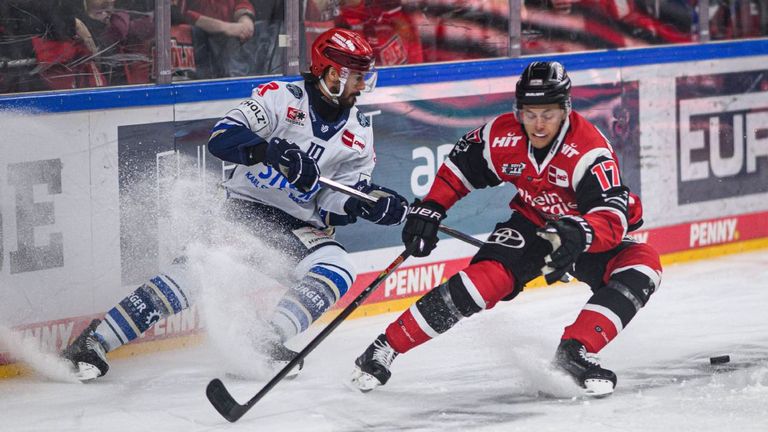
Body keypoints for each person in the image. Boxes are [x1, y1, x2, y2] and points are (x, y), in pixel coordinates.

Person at [61, 27, 409, 381]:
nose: (362, 86)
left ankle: (264, 340)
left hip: (297, 226)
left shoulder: (360, 131)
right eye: (357, 77)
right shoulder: (281, 98)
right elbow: (222, 137)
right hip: (244, 210)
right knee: (192, 275)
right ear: (333, 73)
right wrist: (271, 152)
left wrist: (364, 204)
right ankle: (96, 340)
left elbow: (333, 202)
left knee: (337, 268)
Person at [351, 61, 662, 397]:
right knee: (482, 283)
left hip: (582, 230)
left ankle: (575, 351)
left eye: (548, 114)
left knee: (643, 265)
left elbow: (613, 218)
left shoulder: (589, 151)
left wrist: (580, 233)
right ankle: (384, 347)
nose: (538, 125)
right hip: (531, 222)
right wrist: (433, 206)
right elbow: (460, 167)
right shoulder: (502, 134)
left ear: (566, 109)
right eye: (530, 114)